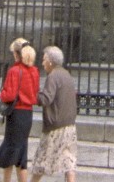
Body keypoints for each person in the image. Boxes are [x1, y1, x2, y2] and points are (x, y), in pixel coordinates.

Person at [30, 44, 77, 182]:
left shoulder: (53, 76)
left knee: (42, 158)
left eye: (44, 59)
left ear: (50, 61)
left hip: (55, 126)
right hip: (69, 124)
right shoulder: (66, 74)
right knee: (69, 160)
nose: (42, 63)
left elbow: (46, 99)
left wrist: (34, 93)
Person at [0, 37, 40, 182]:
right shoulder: (34, 71)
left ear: (16, 53)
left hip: (16, 115)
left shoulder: (14, 71)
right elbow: (35, 92)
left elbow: (9, 95)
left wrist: (1, 93)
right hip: (27, 115)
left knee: (10, 152)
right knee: (21, 153)